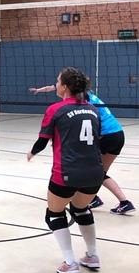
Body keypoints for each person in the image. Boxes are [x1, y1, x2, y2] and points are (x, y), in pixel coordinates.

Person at [27, 67, 105, 273]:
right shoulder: (93, 109)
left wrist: (32, 152)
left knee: (54, 214)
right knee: (81, 210)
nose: (56, 84)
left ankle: (70, 263)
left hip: (67, 173)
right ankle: (92, 255)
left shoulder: (56, 109)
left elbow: (43, 141)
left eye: (58, 81)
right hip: (95, 173)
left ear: (66, 87)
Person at [29, 81, 134, 215]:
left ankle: (123, 202)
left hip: (106, 135)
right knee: (99, 173)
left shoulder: (82, 101)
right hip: (118, 134)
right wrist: (39, 90)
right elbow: (52, 87)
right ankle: (96, 198)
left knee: (94, 172)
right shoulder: (84, 93)